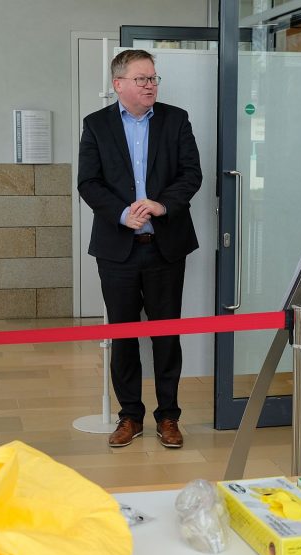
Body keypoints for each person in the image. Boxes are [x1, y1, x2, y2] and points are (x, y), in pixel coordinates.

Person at [78, 49, 202, 449]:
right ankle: (130, 416)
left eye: (153, 78)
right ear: (119, 84)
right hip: (118, 251)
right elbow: (88, 182)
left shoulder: (175, 119)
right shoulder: (95, 125)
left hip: (165, 247)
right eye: (142, 78)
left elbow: (191, 174)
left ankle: (169, 417)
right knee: (124, 337)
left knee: (166, 337)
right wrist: (119, 214)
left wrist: (162, 205)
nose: (150, 85)